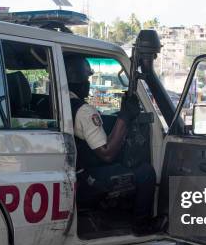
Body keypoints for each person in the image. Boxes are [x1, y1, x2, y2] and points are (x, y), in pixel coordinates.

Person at [64, 54, 162, 235]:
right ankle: (141, 225)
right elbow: (107, 153)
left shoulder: (54, 103)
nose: (88, 83)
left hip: (71, 173)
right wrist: (124, 116)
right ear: (76, 79)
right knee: (145, 172)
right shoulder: (84, 111)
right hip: (84, 179)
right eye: (86, 78)